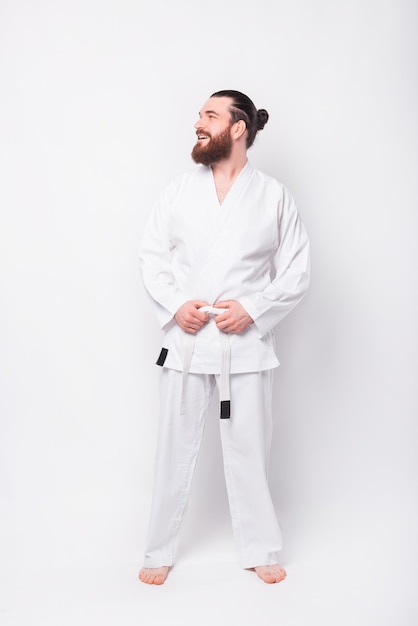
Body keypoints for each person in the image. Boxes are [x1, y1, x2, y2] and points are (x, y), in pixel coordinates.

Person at [138, 90, 310, 585]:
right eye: (199, 114)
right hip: (189, 341)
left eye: (209, 115)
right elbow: (151, 256)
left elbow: (296, 271)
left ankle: (260, 546)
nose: (198, 122)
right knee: (172, 446)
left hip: (245, 343)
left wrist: (253, 310)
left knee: (250, 447)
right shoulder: (177, 190)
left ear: (238, 127)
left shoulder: (274, 195)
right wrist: (176, 305)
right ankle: (158, 548)